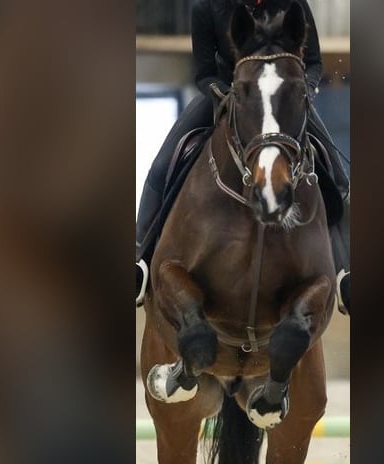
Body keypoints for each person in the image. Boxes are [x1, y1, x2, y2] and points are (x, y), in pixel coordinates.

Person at [136, 0, 350, 314]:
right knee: (161, 164)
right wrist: (231, 97)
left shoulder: (293, 4)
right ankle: (140, 259)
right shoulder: (206, 7)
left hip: (283, 95)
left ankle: (346, 270)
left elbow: (314, 62)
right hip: (230, 95)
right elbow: (204, 72)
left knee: (337, 172)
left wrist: (303, 88)